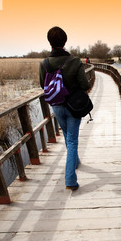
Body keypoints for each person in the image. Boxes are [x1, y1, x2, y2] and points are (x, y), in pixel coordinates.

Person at [39, 26, 90, 191]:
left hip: (56, 106)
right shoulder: (74, 61)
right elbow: (85, 84)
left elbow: (43, 85)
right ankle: (70, 180)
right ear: (65, 41)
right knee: (72, 139)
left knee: (68, 136)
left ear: (49, 42)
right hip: (73, 106)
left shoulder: (44, 63)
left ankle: (74, 161)